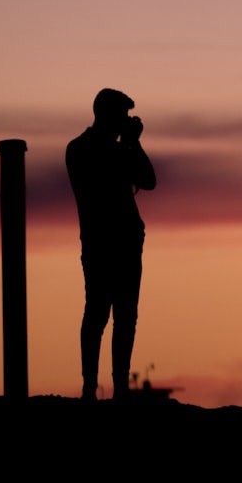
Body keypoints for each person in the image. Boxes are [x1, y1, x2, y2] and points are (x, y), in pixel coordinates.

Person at [66, 88, 156, 401]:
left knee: (125, 316)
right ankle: (90, 386)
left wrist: (133, 142)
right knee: (98, 314)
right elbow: (135, 176)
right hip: (102, 242)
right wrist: (130, 142)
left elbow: (148, 179)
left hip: (126, 241)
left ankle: (118, 388)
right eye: (123, 115)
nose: (127, 121)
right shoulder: (82, 149)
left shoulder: (115, 149)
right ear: (109, 115)